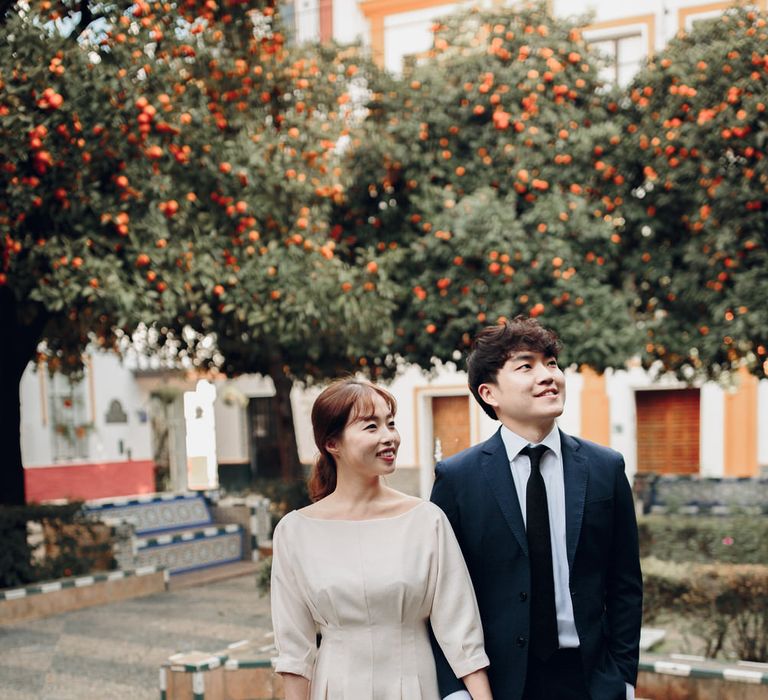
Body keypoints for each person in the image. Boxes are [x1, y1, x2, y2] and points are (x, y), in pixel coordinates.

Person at [430, 317, 642, 700]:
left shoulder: (605, 467)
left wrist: (624, 680)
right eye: (526, 366)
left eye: (552, 363)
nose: (548, 376)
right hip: (497, 684)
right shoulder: (457, 479)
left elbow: (625, 584)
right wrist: (455, 690)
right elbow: (440, 594)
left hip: (590, 681)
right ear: (489, 393)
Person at [270, 378, 493, 700]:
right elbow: (294, 652)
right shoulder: (294, 532)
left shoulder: (426, 520)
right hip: (336, 687)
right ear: (333, 443)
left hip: (416, 685)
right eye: (371, 427)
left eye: (390, 424)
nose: (389, 437)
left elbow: (461, 632)